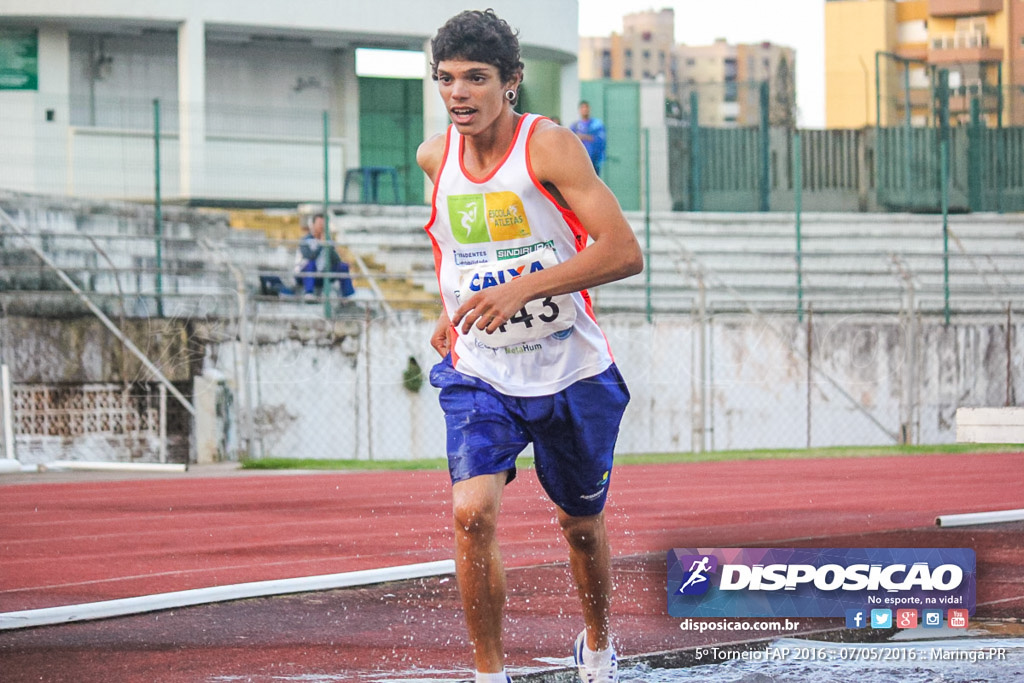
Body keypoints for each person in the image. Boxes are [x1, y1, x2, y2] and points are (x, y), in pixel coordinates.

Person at [417, 10, 643, 683]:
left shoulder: (548, 148)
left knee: (579, 524)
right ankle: (492, 674)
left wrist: (522, 288)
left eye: (476, 78)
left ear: (511, 82)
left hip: (571, 369)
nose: (459, 92)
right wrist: (447, 308)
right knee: (470, 514)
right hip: (483, 369)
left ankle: (597, 645)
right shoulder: (436, 156)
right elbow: (453, 247)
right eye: (447, 78)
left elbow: (624, 251)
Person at [293, 213, 355, 299]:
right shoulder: (305, 240)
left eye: (324, 225)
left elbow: (336, 260)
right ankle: (309, 293)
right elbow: (309, 256)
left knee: (343, 267)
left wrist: (329, 246)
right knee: (311, 264)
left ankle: (348, 296)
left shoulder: (328, 240)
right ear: (313, 225)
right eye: (319, 224)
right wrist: (321, 244)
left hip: (322, 274)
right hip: (304, 275)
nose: (322, 227)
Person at [570, 101, 606, 176]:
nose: (585, 110)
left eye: (586, 107)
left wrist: (584, 137)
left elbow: (601, 140)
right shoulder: (575, 126)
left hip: (594, 162)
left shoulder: (596, 125)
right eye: (582, 108)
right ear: (579, 110)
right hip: (579, 162)